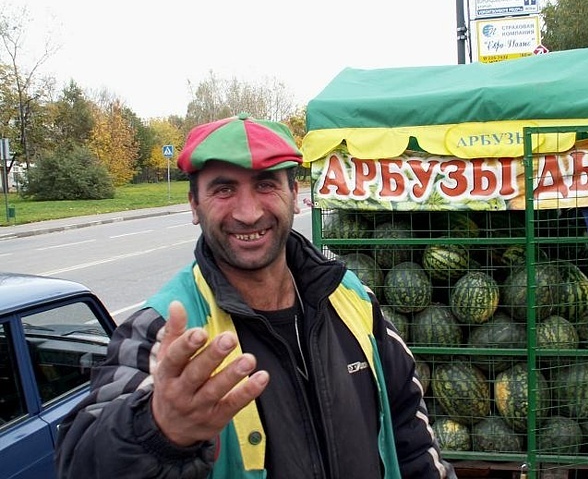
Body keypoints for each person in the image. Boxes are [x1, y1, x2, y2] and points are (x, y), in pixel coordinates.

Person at [55, 113, 456, 479]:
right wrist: (156, 430)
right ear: (194, 204)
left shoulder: (352, 298)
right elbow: (80, 461)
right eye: (224, 189)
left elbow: (409, 433)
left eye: (265, 184)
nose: (248, 213)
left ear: (295, 194)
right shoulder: (162, 329)